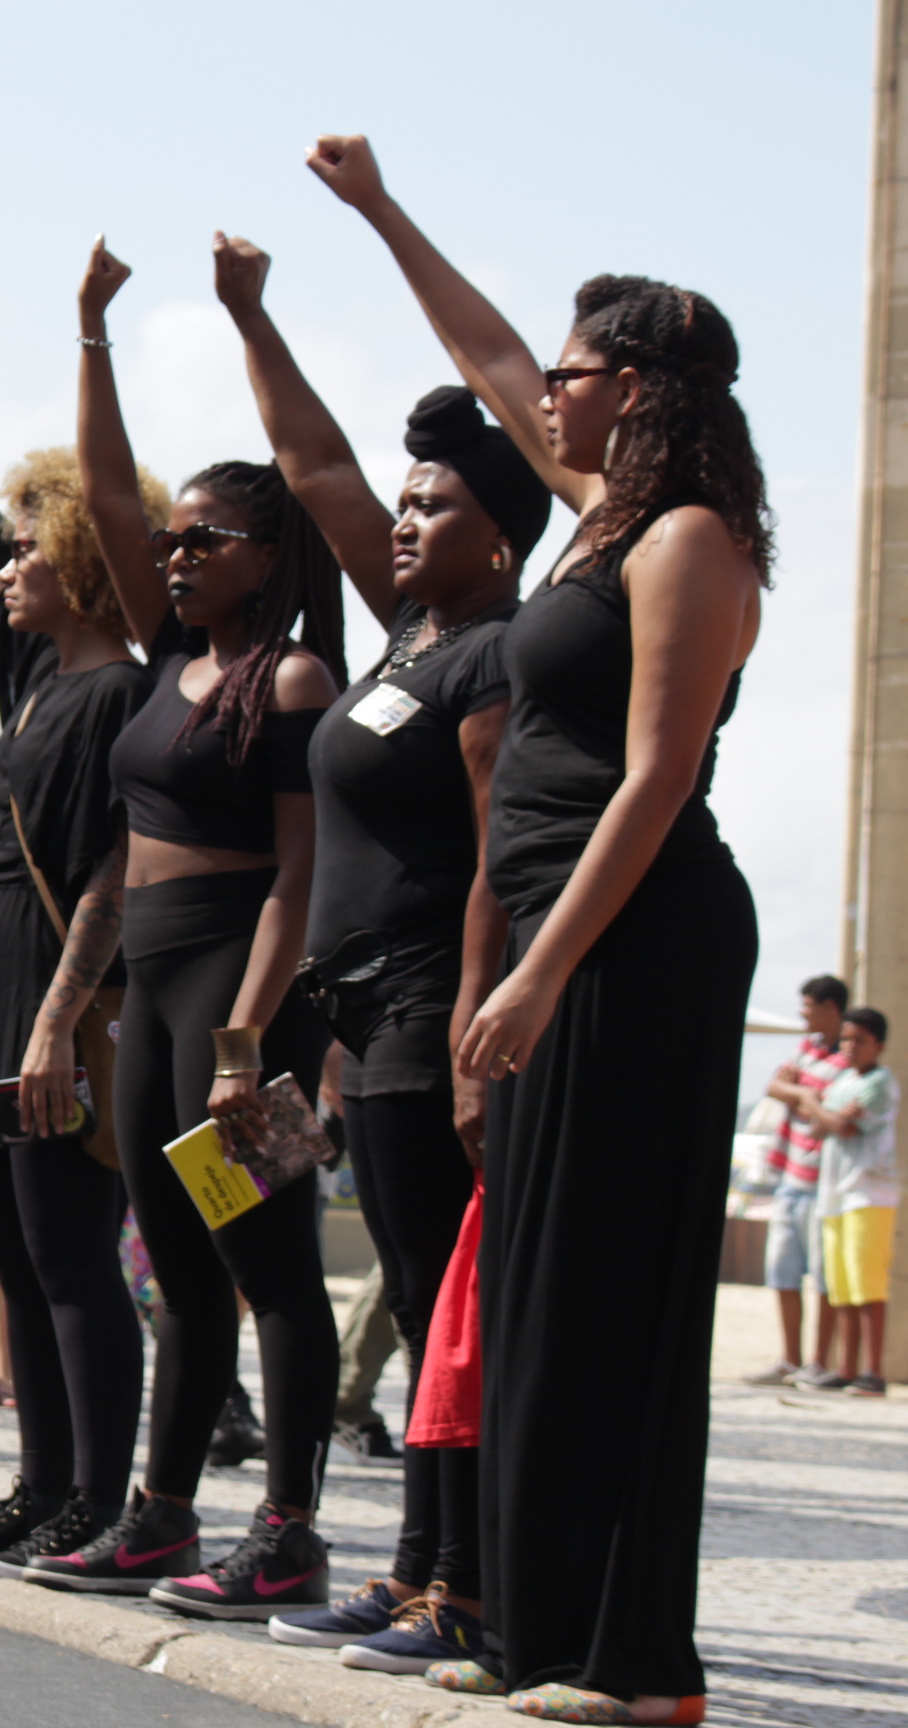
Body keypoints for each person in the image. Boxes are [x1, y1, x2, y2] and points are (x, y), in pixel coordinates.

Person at [315, 133, 767, 1723]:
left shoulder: (690, 540)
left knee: (608, 1290)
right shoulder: (588, 516)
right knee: (535, 1294)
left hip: (640, 940)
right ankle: (541, 1627)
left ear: (639, 386)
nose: (547, 395)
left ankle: (638, 1665)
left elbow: (653, 783)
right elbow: (487, 353)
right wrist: (380, 215)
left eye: (580, 374)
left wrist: (534, 969)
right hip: (570, 942)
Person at [200, 231, 555, 1667]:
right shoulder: (410, 630)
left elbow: (488, 860)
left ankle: (459, 1581)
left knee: (435, 1303)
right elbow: (322, 473)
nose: (404, 524)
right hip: (365, 1021)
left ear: (508, 531)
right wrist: (252, 321)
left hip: (431, 1009)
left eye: (441, 506)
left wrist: (469, 1034)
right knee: (412, 1300)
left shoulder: (496, 655)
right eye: (406, 506)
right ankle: (418, 1567)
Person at [44, 236, 344, 1616]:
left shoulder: (289, 677)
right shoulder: (177, 657)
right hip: (152, 987)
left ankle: (288, 1528)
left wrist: (244, 1043)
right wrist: (95, 329)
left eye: (202, 540)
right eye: (170, 542)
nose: (170, 554)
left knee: (270, 1262)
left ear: (268, 555)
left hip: (238, 991)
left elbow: (299, 874)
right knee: (174, 1260)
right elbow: (109, 498)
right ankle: (161, 1514)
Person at [0, 337, 158, 1576]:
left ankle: (96, 1498)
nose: (2, 567)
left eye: (26, 546)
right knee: (13, 1251)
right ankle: (44, 1483)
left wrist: (60, 1019)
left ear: (75, 556)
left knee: (70, 1257)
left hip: (58, 993)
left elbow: (114, 869)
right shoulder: (36, 682)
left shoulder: (118, 692)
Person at [747, 977, 852, 1388]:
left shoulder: (846, 1056)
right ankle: (790, 1359)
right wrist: (805, 1096)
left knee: (823, 1276)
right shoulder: (808, 1049)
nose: (802, 1013)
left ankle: (818, 1360)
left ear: (830, 1007)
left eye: (808, 1005)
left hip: (824, 1180)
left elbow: (823, 1103)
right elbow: (775, 1086)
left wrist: (798, 1092)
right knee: (783, 1273)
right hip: (790, 1173)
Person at [797, 1008, 893, 1397]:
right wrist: (827, 1112)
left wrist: (821, 1109)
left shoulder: (882, 1082)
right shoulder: (841, 1080)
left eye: (861, 1040)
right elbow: (819, 1123)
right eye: (848, 1039)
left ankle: (873, 1371)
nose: (852, 1047)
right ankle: (846, 1367)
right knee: (841, 1287)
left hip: (868, 1193)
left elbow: (839, 1125)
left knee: (867, 1286)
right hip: (835, 1193)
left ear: (878, 1045)